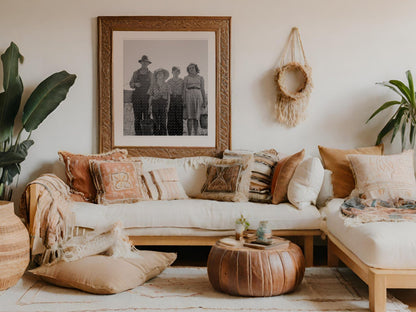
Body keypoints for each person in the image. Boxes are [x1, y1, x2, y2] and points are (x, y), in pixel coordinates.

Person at [129, 55, 153, 135]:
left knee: (147, 117)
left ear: (148, 63)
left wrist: (149, 94)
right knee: (137, 118)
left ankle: (146, 136)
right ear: (141, 63)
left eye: (146, 62)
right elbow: (131, 84)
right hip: (137, 98)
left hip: (147, 98)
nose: (144, 64)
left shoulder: (150, 74)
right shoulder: (136, 73)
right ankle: (138, 135)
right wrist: (135, 84)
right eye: (143, 62)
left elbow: (153, 86)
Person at [183, 63, 206, 136]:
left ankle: (196, 134)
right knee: (190, 117)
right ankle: (189, 135)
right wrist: (184, 100)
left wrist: (205, 100)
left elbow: (202, 89)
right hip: (189, 96)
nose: (191, 69)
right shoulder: (186, 78)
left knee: (196, 117)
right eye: (189, 68)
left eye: (192, 68)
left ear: (196, 68)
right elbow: (184, 89)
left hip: (198, 96)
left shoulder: (200, 78)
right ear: (188, 70)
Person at [148, 68, 171, 135]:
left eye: (161, 73)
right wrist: (149, 107)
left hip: (163, 104)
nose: (160, 75)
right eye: (158, 73)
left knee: (163, 121)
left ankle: (163, 137)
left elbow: (169, 97)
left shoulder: (167, 85)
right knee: (155, 121)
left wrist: (168, 106)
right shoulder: (153, 85)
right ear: (156, 75)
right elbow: (150, 96)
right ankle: (156, 136)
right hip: (155, 103)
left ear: (164, 75)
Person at [167, 66, 184, 135]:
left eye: (177, 71)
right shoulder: (169, 81)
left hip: (179, 99)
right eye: (174, 71)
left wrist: (183, 101)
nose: (176, 73)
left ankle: (179, 134)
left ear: (179, 72)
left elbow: (184, 91)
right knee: (171, 117)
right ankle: (171, 133)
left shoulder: (182, 81)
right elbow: (167, 92)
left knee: (179, 117)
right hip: (171, 99)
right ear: (172, 72)